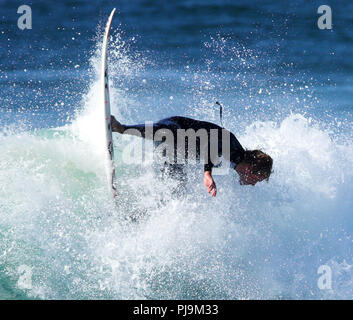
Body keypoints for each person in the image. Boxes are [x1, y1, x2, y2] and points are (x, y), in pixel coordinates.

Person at [111, 115, 273, 197]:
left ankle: (138, 215)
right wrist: (207, 173)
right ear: (251, 169)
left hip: (175, 154)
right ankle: (122, 128)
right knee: (167, 134)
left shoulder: (232, 162)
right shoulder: (232, 144)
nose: (253, 185)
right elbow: (211, 146)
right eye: (256, 180)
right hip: (176, 128)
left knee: (175, 192)